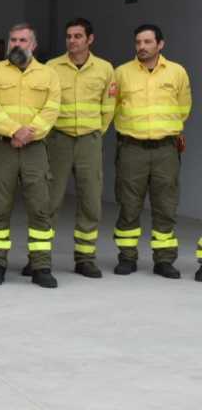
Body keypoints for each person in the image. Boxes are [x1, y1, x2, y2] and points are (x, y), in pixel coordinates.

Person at [0, 23, 61, 288]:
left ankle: (41, 266)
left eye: (23, 40)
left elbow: (51, 109)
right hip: (4, 147)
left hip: (35, 148)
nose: (17, 44)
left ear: (33, 45)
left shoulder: (48, 75)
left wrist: (28, 134)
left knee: (40, 208)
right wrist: (14, 130)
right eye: (13, 39)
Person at [111, 24, 192, 279]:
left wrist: (167, 129)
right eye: (138, 42)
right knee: (129, 205)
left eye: (147, 42)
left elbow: (183, 107)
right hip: (132, 148)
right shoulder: (121, 73)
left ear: (160, 44)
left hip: (165, 149)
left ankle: (165, 260)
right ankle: (127, 257)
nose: (142, 47)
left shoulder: (177, 72)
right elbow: (111, 107)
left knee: (165, 205)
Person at [47, 18, 115, 279]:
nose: (72, 41)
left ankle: (85, 258)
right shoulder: (52, 67)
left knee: (90, 200)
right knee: (49, 200)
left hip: (90, 140)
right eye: (69, 36)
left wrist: (96, 131)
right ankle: (39, 257)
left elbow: (109, 107)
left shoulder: (105, 69)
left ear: (90, 39)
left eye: (77, 36)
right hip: (59, 140)